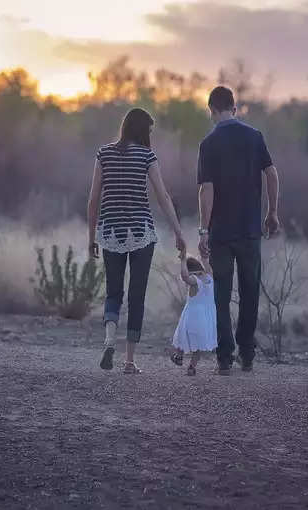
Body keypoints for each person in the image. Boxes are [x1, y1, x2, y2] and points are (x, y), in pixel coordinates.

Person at [87, 108, 186, 374]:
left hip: (110, 231)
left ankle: (109, 340)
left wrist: (91, 236)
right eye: (149, 131)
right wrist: (178, 231)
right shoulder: (146, 156)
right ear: (142, 130)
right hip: (141, 232)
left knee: (113, 292)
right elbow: (163, 197)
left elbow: (94, 198)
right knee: (136, 295)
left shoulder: (103, 153)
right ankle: (129, 361)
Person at [197, 86, 281, 375]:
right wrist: (272, 212)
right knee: (249, 292)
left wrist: (203, 230)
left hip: (220, 233)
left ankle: (224, 357)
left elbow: (206, 190)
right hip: (249, 231)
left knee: (220, 294)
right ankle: (246, 353)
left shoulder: (208, 144)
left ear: (212, 110)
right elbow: (271, 174)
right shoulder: (254, 137)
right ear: (234, 108)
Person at [170, 252, 217, 376]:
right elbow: (207, 266)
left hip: (192, 316)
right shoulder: (210, 278)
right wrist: (204, 257)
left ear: (191, 271)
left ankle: (179, 356)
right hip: (207, 318)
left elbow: (185, 276)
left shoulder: (195, 281)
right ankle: (191, 367)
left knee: (182, 336)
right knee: (198, 346)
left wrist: (183, 261)